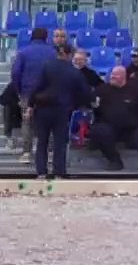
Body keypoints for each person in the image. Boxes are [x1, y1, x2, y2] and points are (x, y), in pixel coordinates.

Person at [29, 44, 91, 179]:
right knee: (60, 142)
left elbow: (36, 87)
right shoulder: (74, 72)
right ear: (69, 55)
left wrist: (30, 105)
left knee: (42, 142)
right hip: (62, 110)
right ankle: (58, 172)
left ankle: (41, 172)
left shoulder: (46, 67)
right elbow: (85, 93)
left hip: (43, 109)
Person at [89, 66, 138, 177]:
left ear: (123, 77)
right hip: (110, 127)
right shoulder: (101, 90)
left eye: (115, 75)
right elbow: (93, 107)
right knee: (99, 131)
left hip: (134, 128)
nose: (112, 77)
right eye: (112, 74)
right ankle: (115, 160)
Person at [10, 27, 55, 164]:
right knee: (50, 123)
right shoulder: (53, 52)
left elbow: (16, 73)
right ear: (46, 37)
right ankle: (50, 152)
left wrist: (18, 90)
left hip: (27, 92)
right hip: (49, 93)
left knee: (27, 122)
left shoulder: (23, 52)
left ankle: (27, 153)